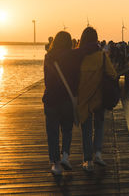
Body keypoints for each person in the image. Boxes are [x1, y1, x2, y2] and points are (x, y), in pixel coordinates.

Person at [42, 31, 99, 175]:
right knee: (67, 129)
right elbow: (87, 49)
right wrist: (96, 44)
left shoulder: (48, 57)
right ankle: (65, 156)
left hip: (50, 99)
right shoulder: (74, 55)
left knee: (52, 133)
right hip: (67, 99)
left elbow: (46, 80)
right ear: (69, 42)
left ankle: (56, 164)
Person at [77, 27, 117, 172]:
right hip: (99, 97)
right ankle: (98, 153)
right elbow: (113, 74)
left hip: (83, 99)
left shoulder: (78, 56)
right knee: (99, 126)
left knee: (86, 130)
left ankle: (88, 161)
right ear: (96, 39)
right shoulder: (101, 56)